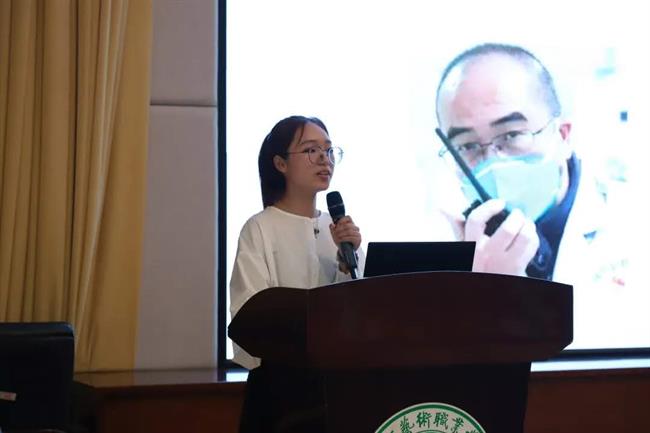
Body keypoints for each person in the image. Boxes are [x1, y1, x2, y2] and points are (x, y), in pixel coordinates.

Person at [434, 43, 632, 347]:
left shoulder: (635, 221)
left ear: (562, 135)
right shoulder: (435, 251)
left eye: (512, 134)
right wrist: (481, 296)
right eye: (467, 146)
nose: (492, 161)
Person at [230, 115, 364, 432]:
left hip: (337, 384)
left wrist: (348, 260)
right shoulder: (260, 227)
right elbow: (250, 312)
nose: (324, 159)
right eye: (311, 150)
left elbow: (360, 311)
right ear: (280, 164)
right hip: (281, 386)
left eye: (329, 150)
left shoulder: (339, 229)